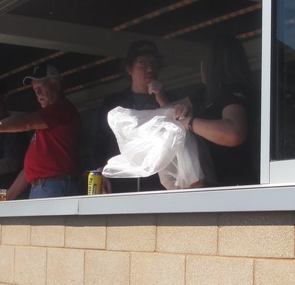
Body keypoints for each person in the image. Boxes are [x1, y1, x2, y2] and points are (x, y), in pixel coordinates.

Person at [0, 64, 81, 200]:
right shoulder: (45, 121)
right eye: (35, 90)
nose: (37, 94)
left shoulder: (61, 109)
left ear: (56, 85)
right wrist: (5, 199)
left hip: (54, 186)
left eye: (40, 88)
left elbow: (26, 122)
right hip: (43, 188)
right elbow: (28, 170)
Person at [170, 35, 258, 187]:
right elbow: (168, 111)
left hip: (233, 185)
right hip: (211, 185)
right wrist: (175, 109)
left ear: (213, 63)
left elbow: (234, 133)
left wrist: (189, 122)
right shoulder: (206, 93)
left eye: (204, 59)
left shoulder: (233, 90)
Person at [91, 40, 166, 193]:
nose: (150, 69)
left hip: (158, 183)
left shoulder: (168, 100)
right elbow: (100, 142)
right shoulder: (113, 104)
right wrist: (100, 171)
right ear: (129, 68)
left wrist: (163, 101)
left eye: (153, 63)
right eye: (142, 64)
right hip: (120, 181)